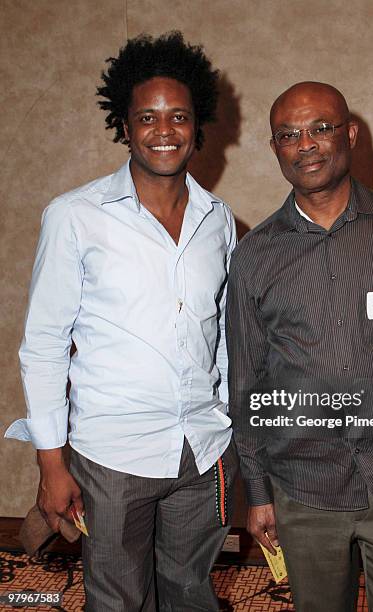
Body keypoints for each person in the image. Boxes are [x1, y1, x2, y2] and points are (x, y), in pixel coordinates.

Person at [5, 32, 238, 612]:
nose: (165, 130)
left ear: (198, 123)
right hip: (112, 455)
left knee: (190, 591)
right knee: (118, 601)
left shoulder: (220, 220)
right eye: (148, 117)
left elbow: (225, 339)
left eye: (178, 116)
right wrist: (50, 462)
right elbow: (43, 347)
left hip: (202, 450)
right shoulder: (75, 217)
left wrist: (232, 427)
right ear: (126, 126)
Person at [226, 81, 373, 612]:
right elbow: (248, 383)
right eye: (288, 135)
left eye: (320, 128)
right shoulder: (255, 257)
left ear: (351, 134)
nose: (305, 144)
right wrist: (260, 491)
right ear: (275, 150)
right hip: (303, 485)